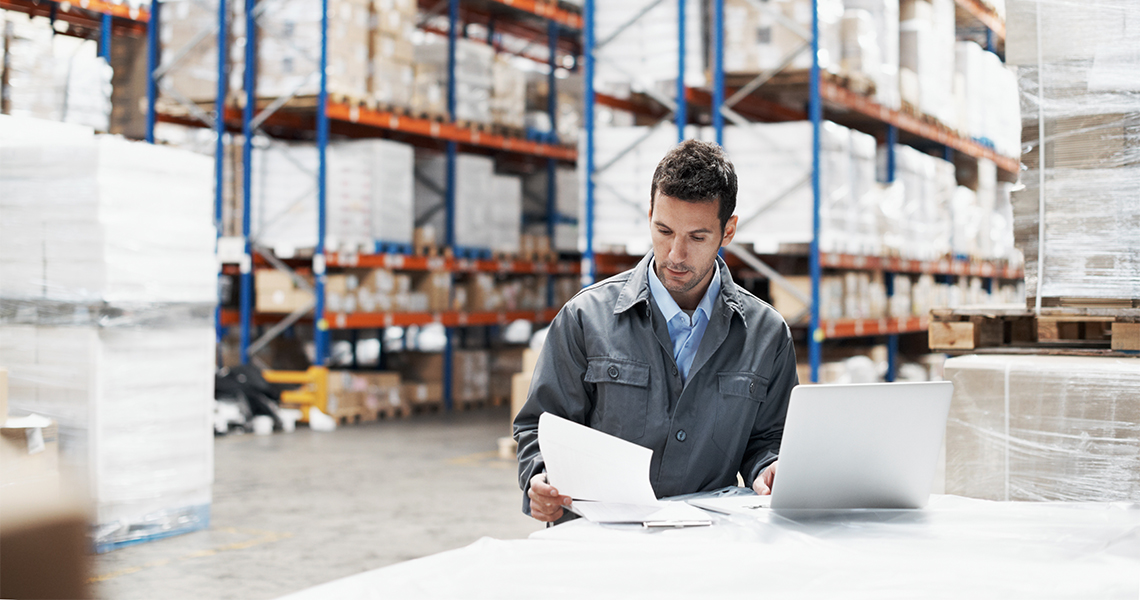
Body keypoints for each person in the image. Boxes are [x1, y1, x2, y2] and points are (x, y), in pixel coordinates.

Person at [513, 139, 799, 523]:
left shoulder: (767, 335)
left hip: (708, 543)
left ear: (727, 231)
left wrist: (770, 469)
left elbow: (768, 440)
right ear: (649, 214)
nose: (676, 255)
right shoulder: (584, 318)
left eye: (697, 237)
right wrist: (539, 477)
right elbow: (540, 424)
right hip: (598, 543)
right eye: (664, 230)